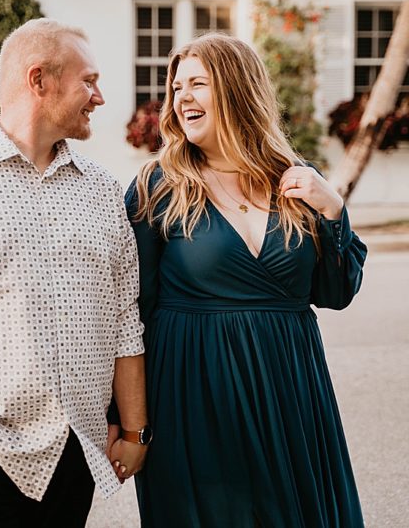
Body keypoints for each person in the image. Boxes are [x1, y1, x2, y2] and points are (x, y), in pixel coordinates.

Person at [0, 18, 149, 528]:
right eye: (88, 81)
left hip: (73, 456)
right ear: (39, 80)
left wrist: (134, 431)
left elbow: (126, 318)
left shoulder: (103, 191)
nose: (99, 97)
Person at [127, 33, 367, 527]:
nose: (182, 98)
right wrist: (130, 423)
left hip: (291, 388)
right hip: (194, 391)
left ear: (237, 88)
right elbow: (131, 311)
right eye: (177, 87)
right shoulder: (159, 185)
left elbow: (336, 292)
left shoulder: (298, 179)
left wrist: (332, 208)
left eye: (198, 84)